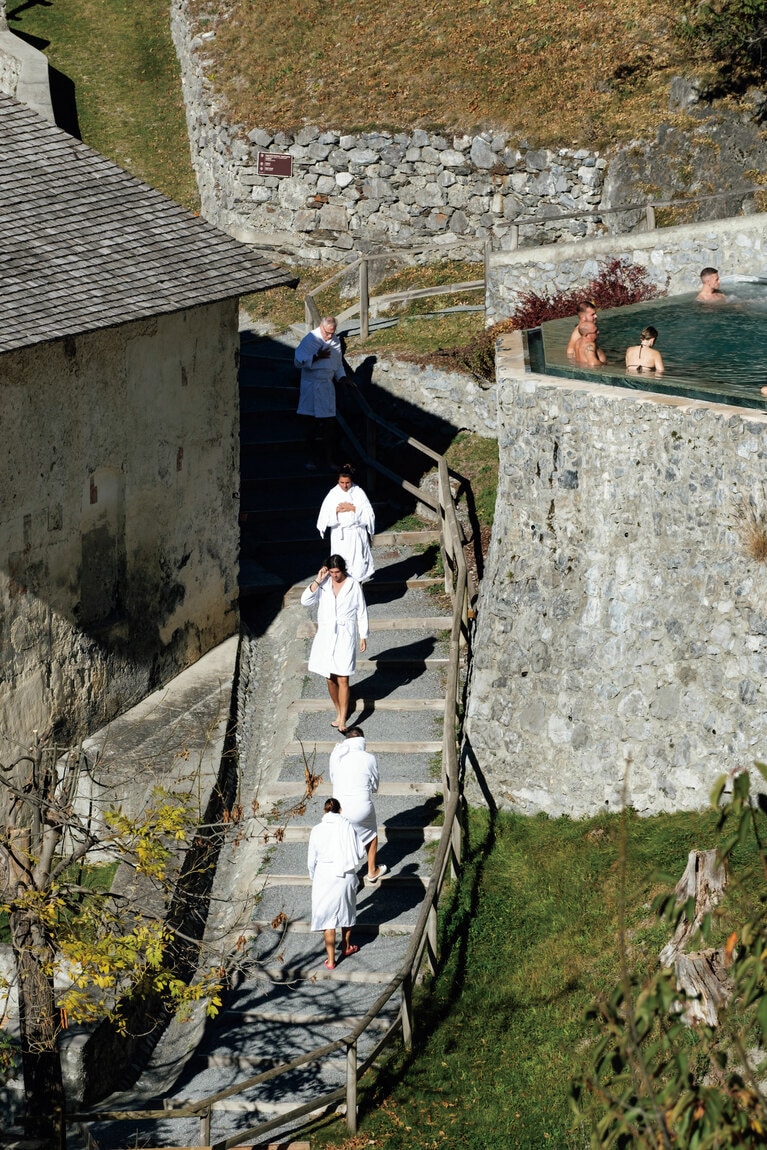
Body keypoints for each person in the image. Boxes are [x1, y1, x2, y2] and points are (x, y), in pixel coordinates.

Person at [300, 554, 369, 733]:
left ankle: (343, 718)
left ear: (343, 570)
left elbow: (361, 610)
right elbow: (305, 601)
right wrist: (318, 579)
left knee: (343, 677)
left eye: (337, 572)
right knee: (330, 679)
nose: (334, 575)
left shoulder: (353, 585)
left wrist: (363, 635)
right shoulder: (323, 584)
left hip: (345, 635)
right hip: (326, 636)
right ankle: (339, 712)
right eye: (331, 572)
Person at [308, 797, 365, 969]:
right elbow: (360, 851)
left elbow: (311, 860)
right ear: (340, 810)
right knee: (347, 911)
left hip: (324, 875)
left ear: (324, 811)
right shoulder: (347, 826)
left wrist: (314, 876)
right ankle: (346, 947)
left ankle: (331, 960)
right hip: (345, 873)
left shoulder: (316, 830)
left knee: (328, 919)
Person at [329, 727, 389, 885]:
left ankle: (344, 876)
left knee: (343, 839)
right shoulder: (369, 758)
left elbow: (333, 779)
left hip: (338, 808)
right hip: (361, 807)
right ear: (362, 741)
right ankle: (372, 870)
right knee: (372, 833)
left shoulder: (337, 755)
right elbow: (375, 786)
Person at [294, 315, 348, 471]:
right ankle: (310, 459)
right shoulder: (310, 339)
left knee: (330, 425)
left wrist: (342, 377)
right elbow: (297, 361)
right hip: (310, 386)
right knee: (310, 425)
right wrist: (317, 357)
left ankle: (329, 460)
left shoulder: (335, 341)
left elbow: (338, 363)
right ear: (320, 326)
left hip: (326, 386)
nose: (330, 336)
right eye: (327, 332)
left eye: (332, 332)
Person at [316, 464, 375, 583]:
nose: (345, 485)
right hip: (340, 536)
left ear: (351, 480)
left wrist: (353, 508)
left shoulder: (358, 492)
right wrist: (336, 511)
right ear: (338, 480)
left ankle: (357, 587)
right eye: (342, 482)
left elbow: (369, 514)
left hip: (356, 534)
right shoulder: (333, 494)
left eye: (347, 482)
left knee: (357, 566)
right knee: (340, 565)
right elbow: (324, 516)